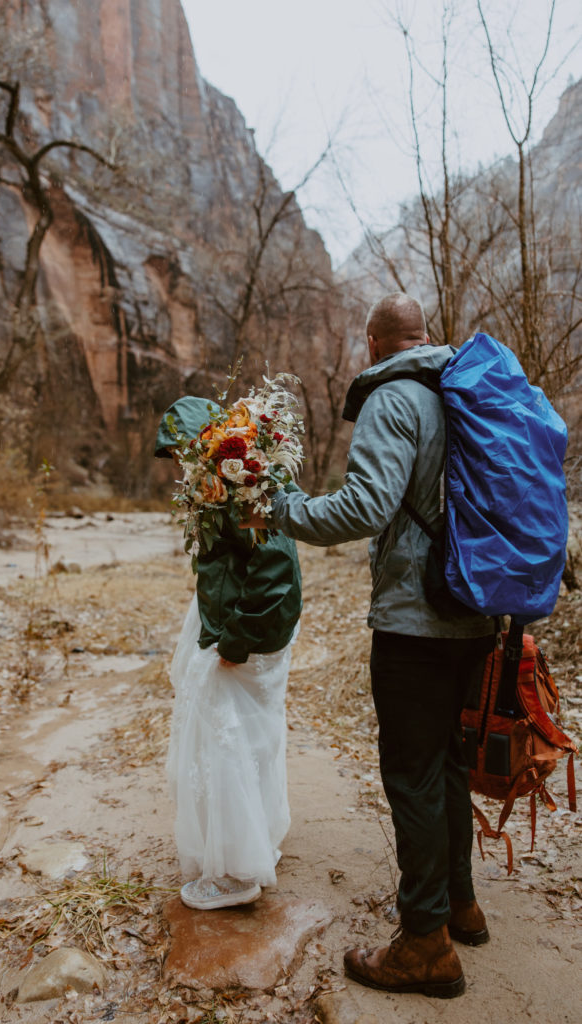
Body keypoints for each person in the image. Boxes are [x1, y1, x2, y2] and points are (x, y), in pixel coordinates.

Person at [243, 293, 494, 998]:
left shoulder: (395, 397)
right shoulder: (460, 388)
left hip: (417, 618)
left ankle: (424, 945)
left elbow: (362, 507)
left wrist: (282, 507)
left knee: (410, 773)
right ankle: (459, 907)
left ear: (374, 341)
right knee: (444, 764)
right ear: (423, 335)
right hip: (475, 609)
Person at [154, 396, 302, 911]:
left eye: (181, 452)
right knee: (248, 736)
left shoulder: (247, 484)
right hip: (239, 623)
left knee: (226, 741)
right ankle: (255, 838)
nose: (179, 465)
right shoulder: (221, 482)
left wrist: (234, 641)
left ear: (204, 443)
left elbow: (276, 574)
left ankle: (239, 871)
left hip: (249, 633)